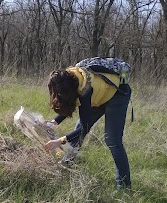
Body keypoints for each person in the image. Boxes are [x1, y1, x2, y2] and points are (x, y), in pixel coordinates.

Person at [43, 57, 132, 190]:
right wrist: (54, 122)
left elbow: (85, 127)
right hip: (100, 94)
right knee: (78, 129)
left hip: (117, 94)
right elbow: (68, 103)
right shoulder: (67, 79)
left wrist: (60, 140)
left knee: (112, 140)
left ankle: (124, 186)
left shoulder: (85, 88)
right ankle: (67, 164)